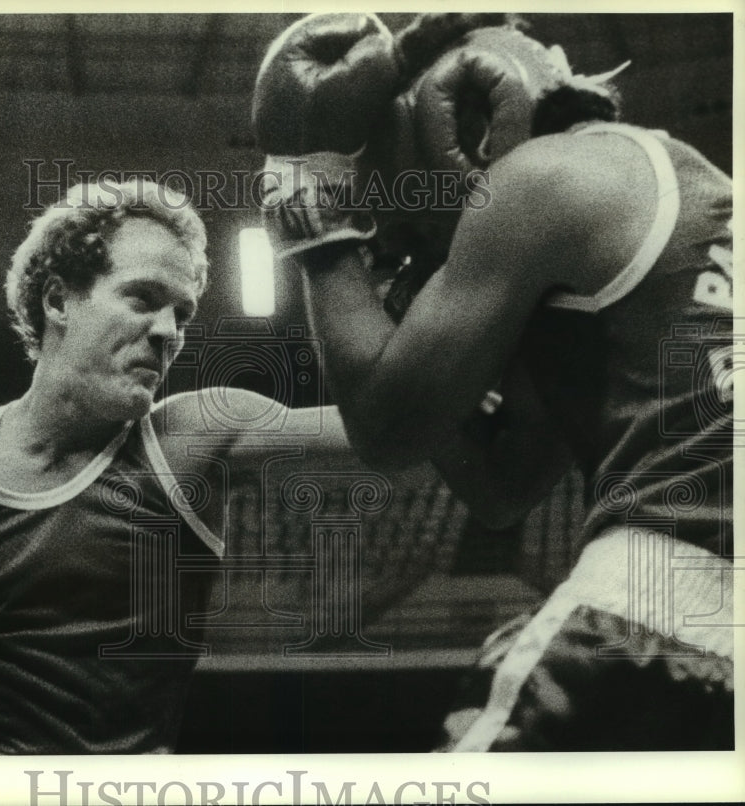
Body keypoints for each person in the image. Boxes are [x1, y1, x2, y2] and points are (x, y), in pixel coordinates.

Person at [252, 12, 733, 750]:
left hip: (667, 605)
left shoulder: (538, 181)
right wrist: (414, 327)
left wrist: (313, 217)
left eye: (397, 208)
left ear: (456, 129)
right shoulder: (667, 183)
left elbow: (385, 430)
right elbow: (504, 486)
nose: (398, 237)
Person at [0, 179, 373, 755]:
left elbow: (392, 429)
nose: (169, 332)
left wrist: (354, 269)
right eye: (142, 298)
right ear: (57, 301)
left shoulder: (189, 441)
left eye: (182, 312)